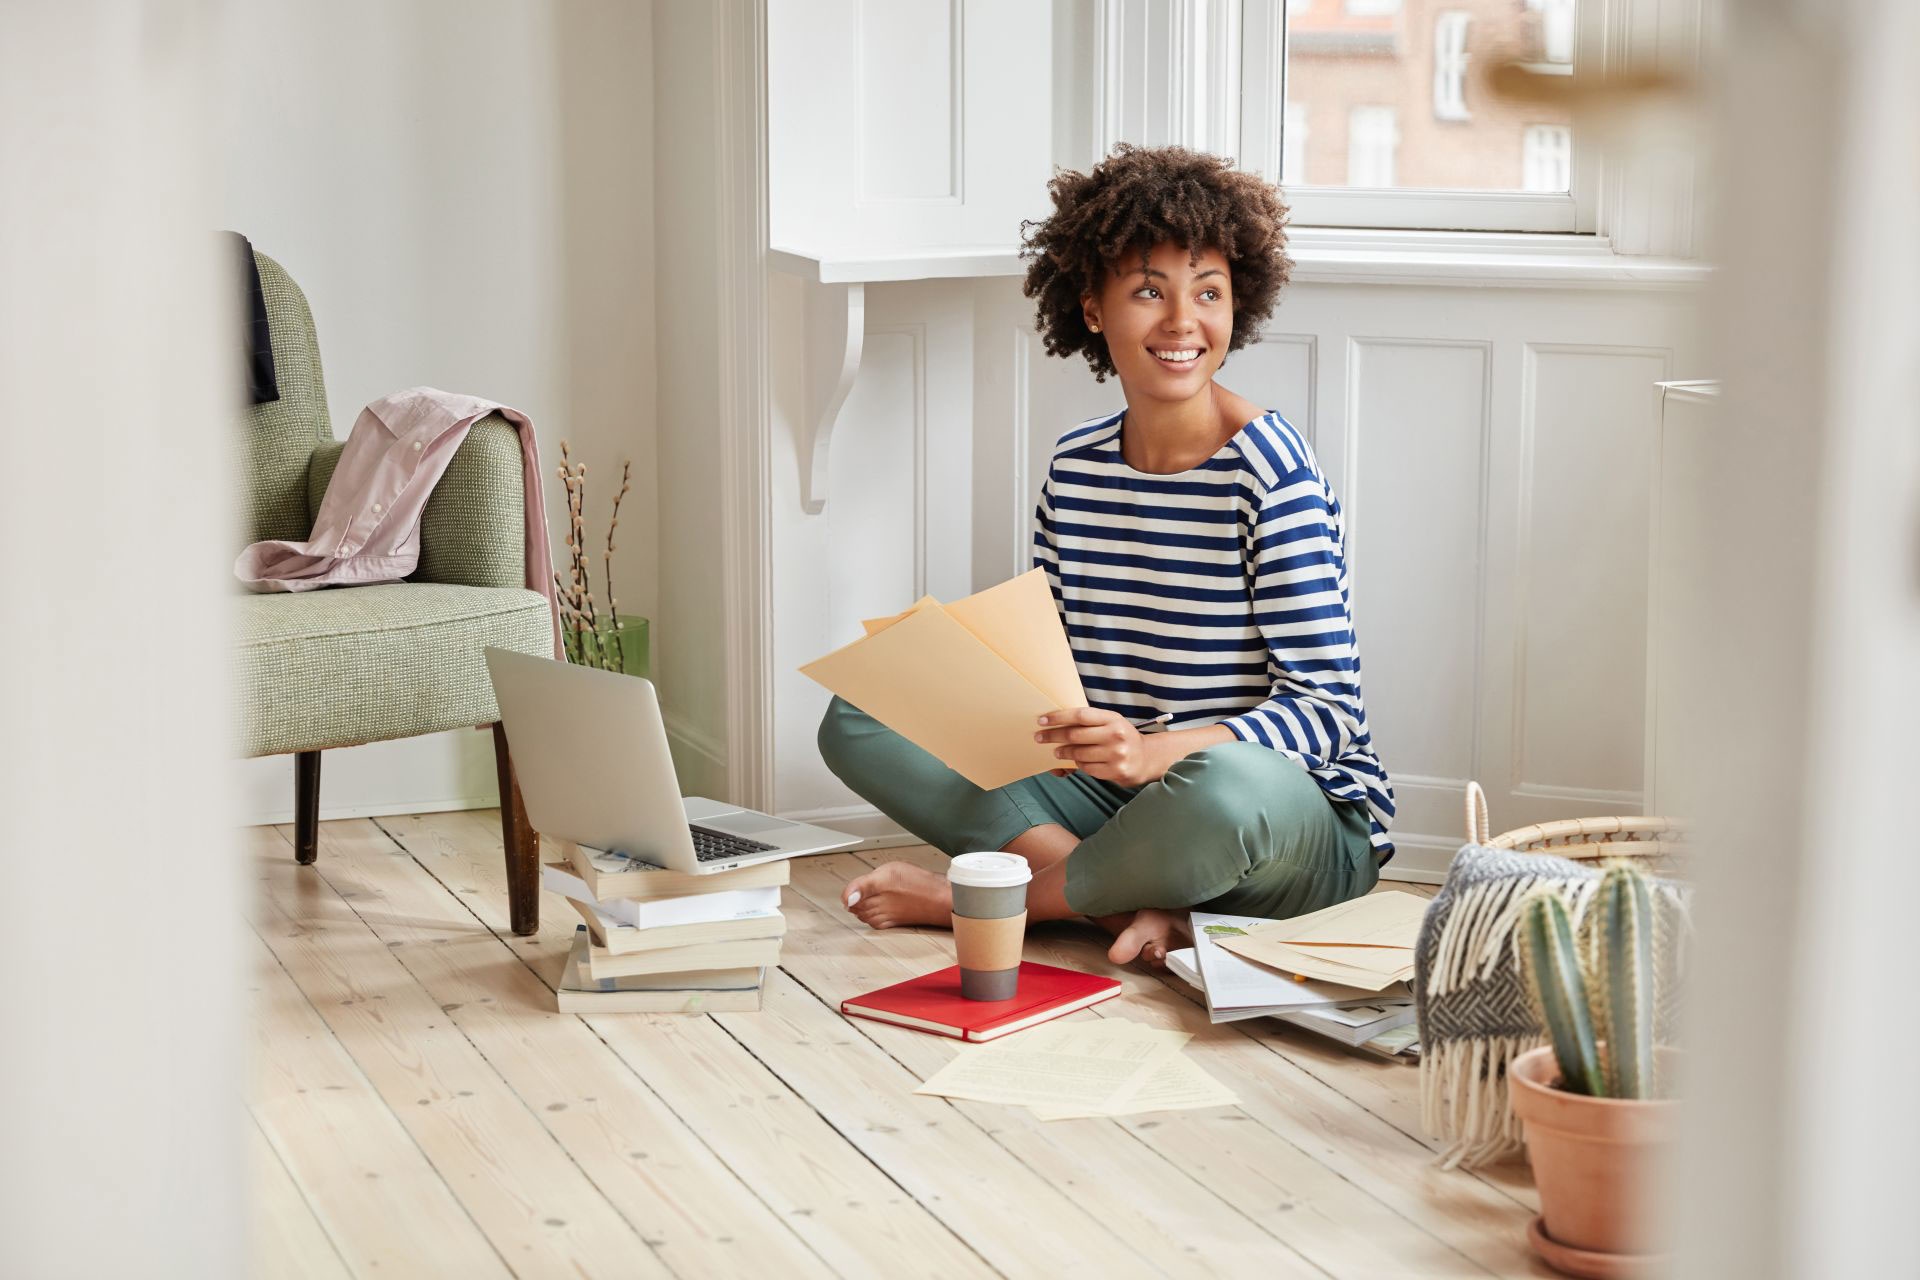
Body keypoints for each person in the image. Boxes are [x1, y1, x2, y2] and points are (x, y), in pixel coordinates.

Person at [817, 143, 1395, 968]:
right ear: (1092, 308)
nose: (1182, 322)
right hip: (1114, 802)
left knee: (1225, 790)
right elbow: (1058, 669)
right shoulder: (1076, 465)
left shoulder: (1274, 476)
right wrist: (954, 665)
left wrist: (1160, 751)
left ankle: (983, 902)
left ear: (1239, 305)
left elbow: (1329, 712)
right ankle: (1124, 907)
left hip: (1282, 820)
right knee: (864, 707)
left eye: (1208, 293)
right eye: (1148, 292)